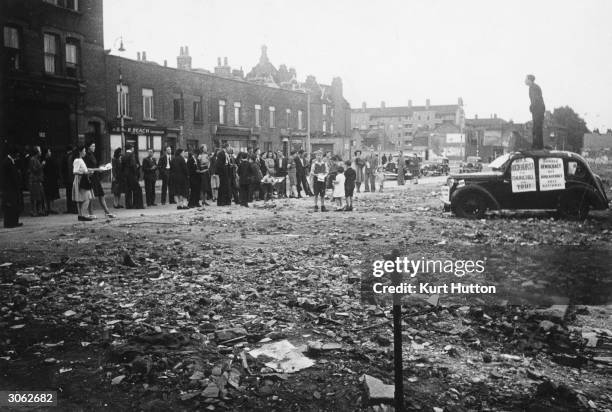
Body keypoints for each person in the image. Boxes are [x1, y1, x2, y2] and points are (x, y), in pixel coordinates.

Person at [84, 142, 115, 218]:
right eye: (92, 146)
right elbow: (87, 168)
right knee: (90, 196)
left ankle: (107, 212)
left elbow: (95, 166)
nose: (94, 147)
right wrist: (98, 169)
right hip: (90, 178)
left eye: (94, 146)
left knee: (101, 194)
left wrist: (102, 167)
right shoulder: (86, 156)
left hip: (95, 177)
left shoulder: (92, 155)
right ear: (88, 147)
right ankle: (91, 213)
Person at [72, 144, 94, 221]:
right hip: (81, 180)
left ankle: (81, 215)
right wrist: (85, 173)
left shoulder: (80, 160)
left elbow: (83, 169)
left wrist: (88, 171)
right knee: (87, 197)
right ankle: (82, 215)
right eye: (84, 151)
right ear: (80, 152)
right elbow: (75, 171)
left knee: (83, 198)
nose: (85, 152)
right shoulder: (77, 160)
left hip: (82, 180)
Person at [2, 145, 23, 228]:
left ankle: (13, 221)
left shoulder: (10, 161)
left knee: (14, 205)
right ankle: (9, 223)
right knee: (9, 205)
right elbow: (10, 176)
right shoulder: (7, 162)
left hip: (12, 187)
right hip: (9, 188)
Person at [525, 74, 545, 150]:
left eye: (526, 79)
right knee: (536, 127)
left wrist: (531, 107)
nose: (525, 81)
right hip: (538, 109)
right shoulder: (533, 87)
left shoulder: (533, 87)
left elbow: (535, 99)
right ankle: (537, 145)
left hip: (538, 109)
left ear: (529, 80)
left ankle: (538, 146)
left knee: (537, 127)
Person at [122, 144, 142, 209]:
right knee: (137, 189)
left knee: (128, 190)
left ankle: (128, 205)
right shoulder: (132, 155)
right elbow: (133, 165)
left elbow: (122, 166)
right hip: (132, 175)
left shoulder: (124, 156)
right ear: (131, 148)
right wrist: (136, 171)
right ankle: (137, 205)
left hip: (126, 175)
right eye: (133, 147)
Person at [28, 146, 45, 216]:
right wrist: (42, 165)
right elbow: (35, 170)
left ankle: (39, 210)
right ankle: (33, 211)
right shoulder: (33, 159)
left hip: (37, 180)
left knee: (39, 196)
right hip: (34, 180)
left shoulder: (37, 159)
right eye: (40, 151)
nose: (41, 152)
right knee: (35, 196)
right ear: (37, 152)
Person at [42, 148, 60, 214]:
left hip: (50, 179)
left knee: (50, 195)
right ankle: (49, 208)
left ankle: (50, 208)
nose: (50, 152)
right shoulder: (47, 160)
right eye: (49, 151)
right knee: (49, 195)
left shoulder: (47, 160)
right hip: (50, 180)